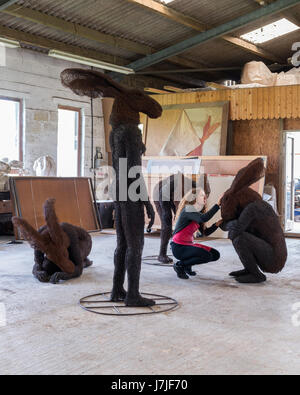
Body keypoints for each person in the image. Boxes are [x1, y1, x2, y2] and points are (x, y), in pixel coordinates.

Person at [170, 188, 223, 279]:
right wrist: (218, 205)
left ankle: (187, 265)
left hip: (188, 245)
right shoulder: (188, 209)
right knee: (206, 256)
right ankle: (180, 265)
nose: (205, 197)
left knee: (215, 255)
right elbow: (204, 218)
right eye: (202, 195)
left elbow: (205, 232)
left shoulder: (197, 213)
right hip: (179, 248)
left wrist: (217, 224)